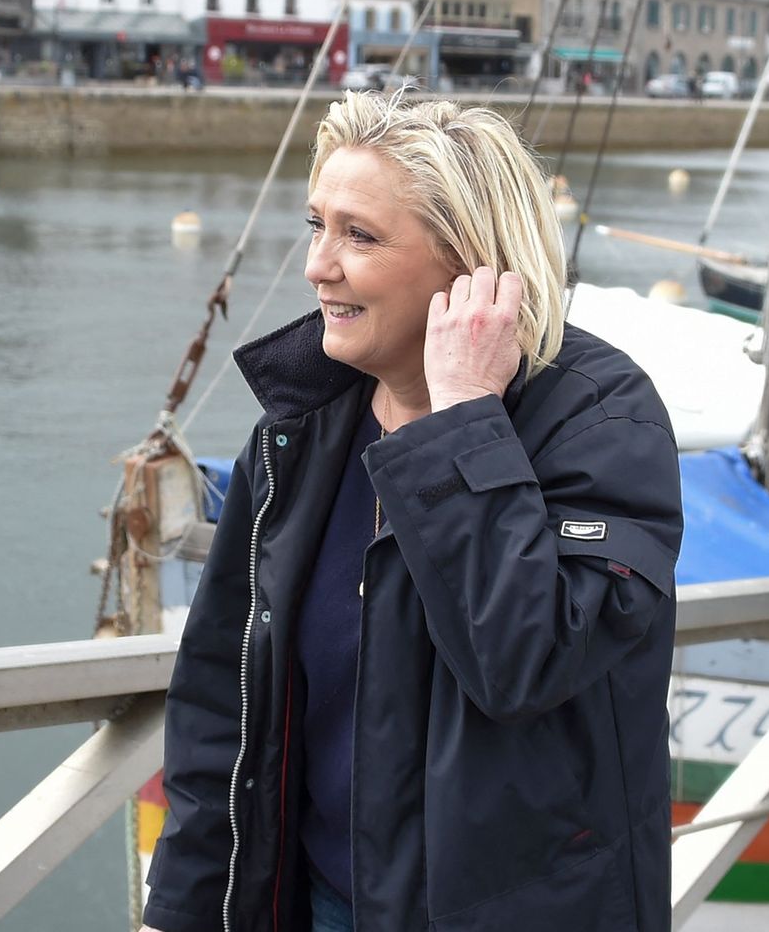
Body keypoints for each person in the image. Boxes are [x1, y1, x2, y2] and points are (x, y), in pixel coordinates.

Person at [141, 92, 682, 932]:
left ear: (475, 266)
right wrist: (180, 911)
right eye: (317, 224)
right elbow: (223, 698)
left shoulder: (602, 420)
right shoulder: (301, 431)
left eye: (359, 235)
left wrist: (465, 418)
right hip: (314, 906)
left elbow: (528, 660)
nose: (319, 264)